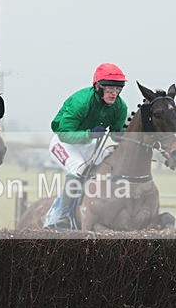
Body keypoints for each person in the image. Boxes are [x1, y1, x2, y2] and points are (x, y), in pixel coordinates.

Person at [42, 63, 129, 229]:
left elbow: (117, 134)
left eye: (118, 89)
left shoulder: (120, 106)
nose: (114, 94)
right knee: (79, 167)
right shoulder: (81, 102)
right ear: (98, 87)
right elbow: (64, 134)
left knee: (110, 163)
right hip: (63, 142)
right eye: (110, 89)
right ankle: (62, 216)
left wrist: (121, 134)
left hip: (86, 144)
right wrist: (89, 134)